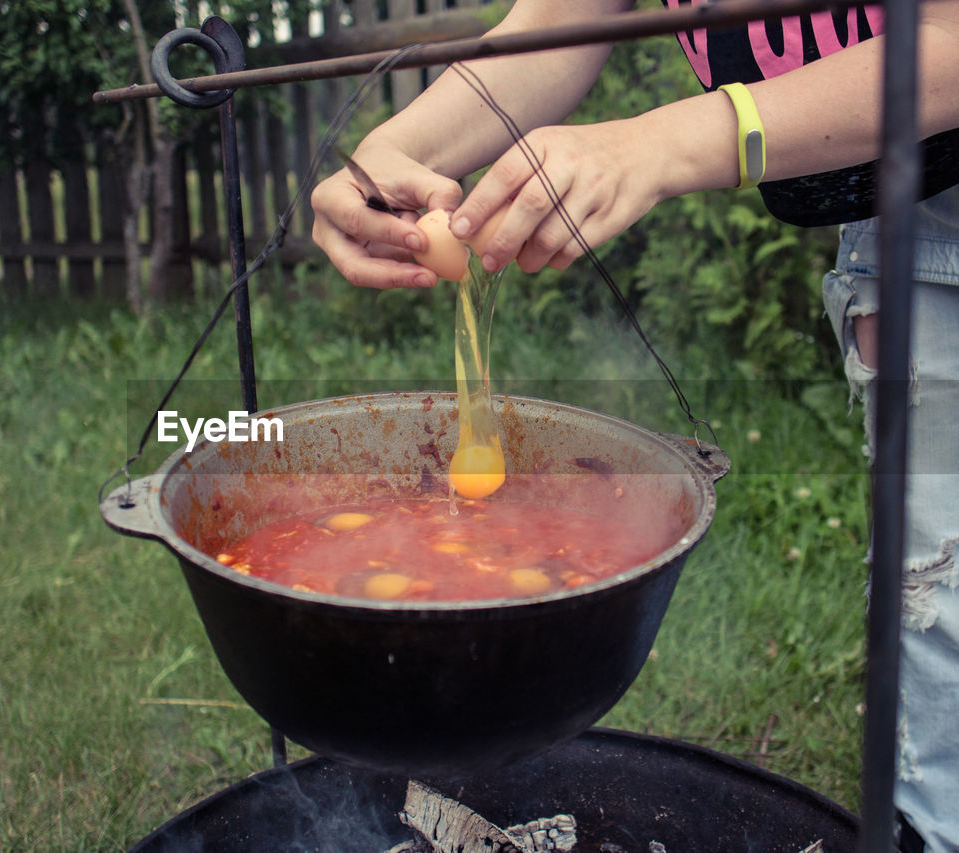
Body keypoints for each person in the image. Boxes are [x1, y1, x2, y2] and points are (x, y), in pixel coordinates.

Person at [309, 1, 959, 849]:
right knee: (938, 625)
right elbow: (559, 20)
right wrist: (395, 152)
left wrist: (662, 143)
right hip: (909, 210)